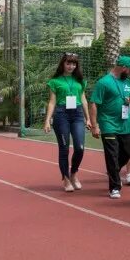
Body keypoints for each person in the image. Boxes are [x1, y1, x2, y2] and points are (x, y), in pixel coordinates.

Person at [90, 55, 130, 199]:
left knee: (126, 153)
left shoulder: (128, 82)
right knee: (112, 154)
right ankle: (114, 186)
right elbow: (94, 103)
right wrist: (95, 125)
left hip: (124, 123)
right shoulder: (104, 82)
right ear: (123, 68)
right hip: (108, 123)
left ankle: (113, 169)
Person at [43, 53, 91, 192]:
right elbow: (52, 102)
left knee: (79, 147)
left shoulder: (80, 81)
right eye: (68, 63)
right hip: (61, 114)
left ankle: (74, 173)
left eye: (74, 64)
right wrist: (47, 121)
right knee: (64, 148)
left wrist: (88, 118)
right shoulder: (55, 81)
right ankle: (65, 178)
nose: (71, 66)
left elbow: (84, 100)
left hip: (77, 114)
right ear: (63, 64)